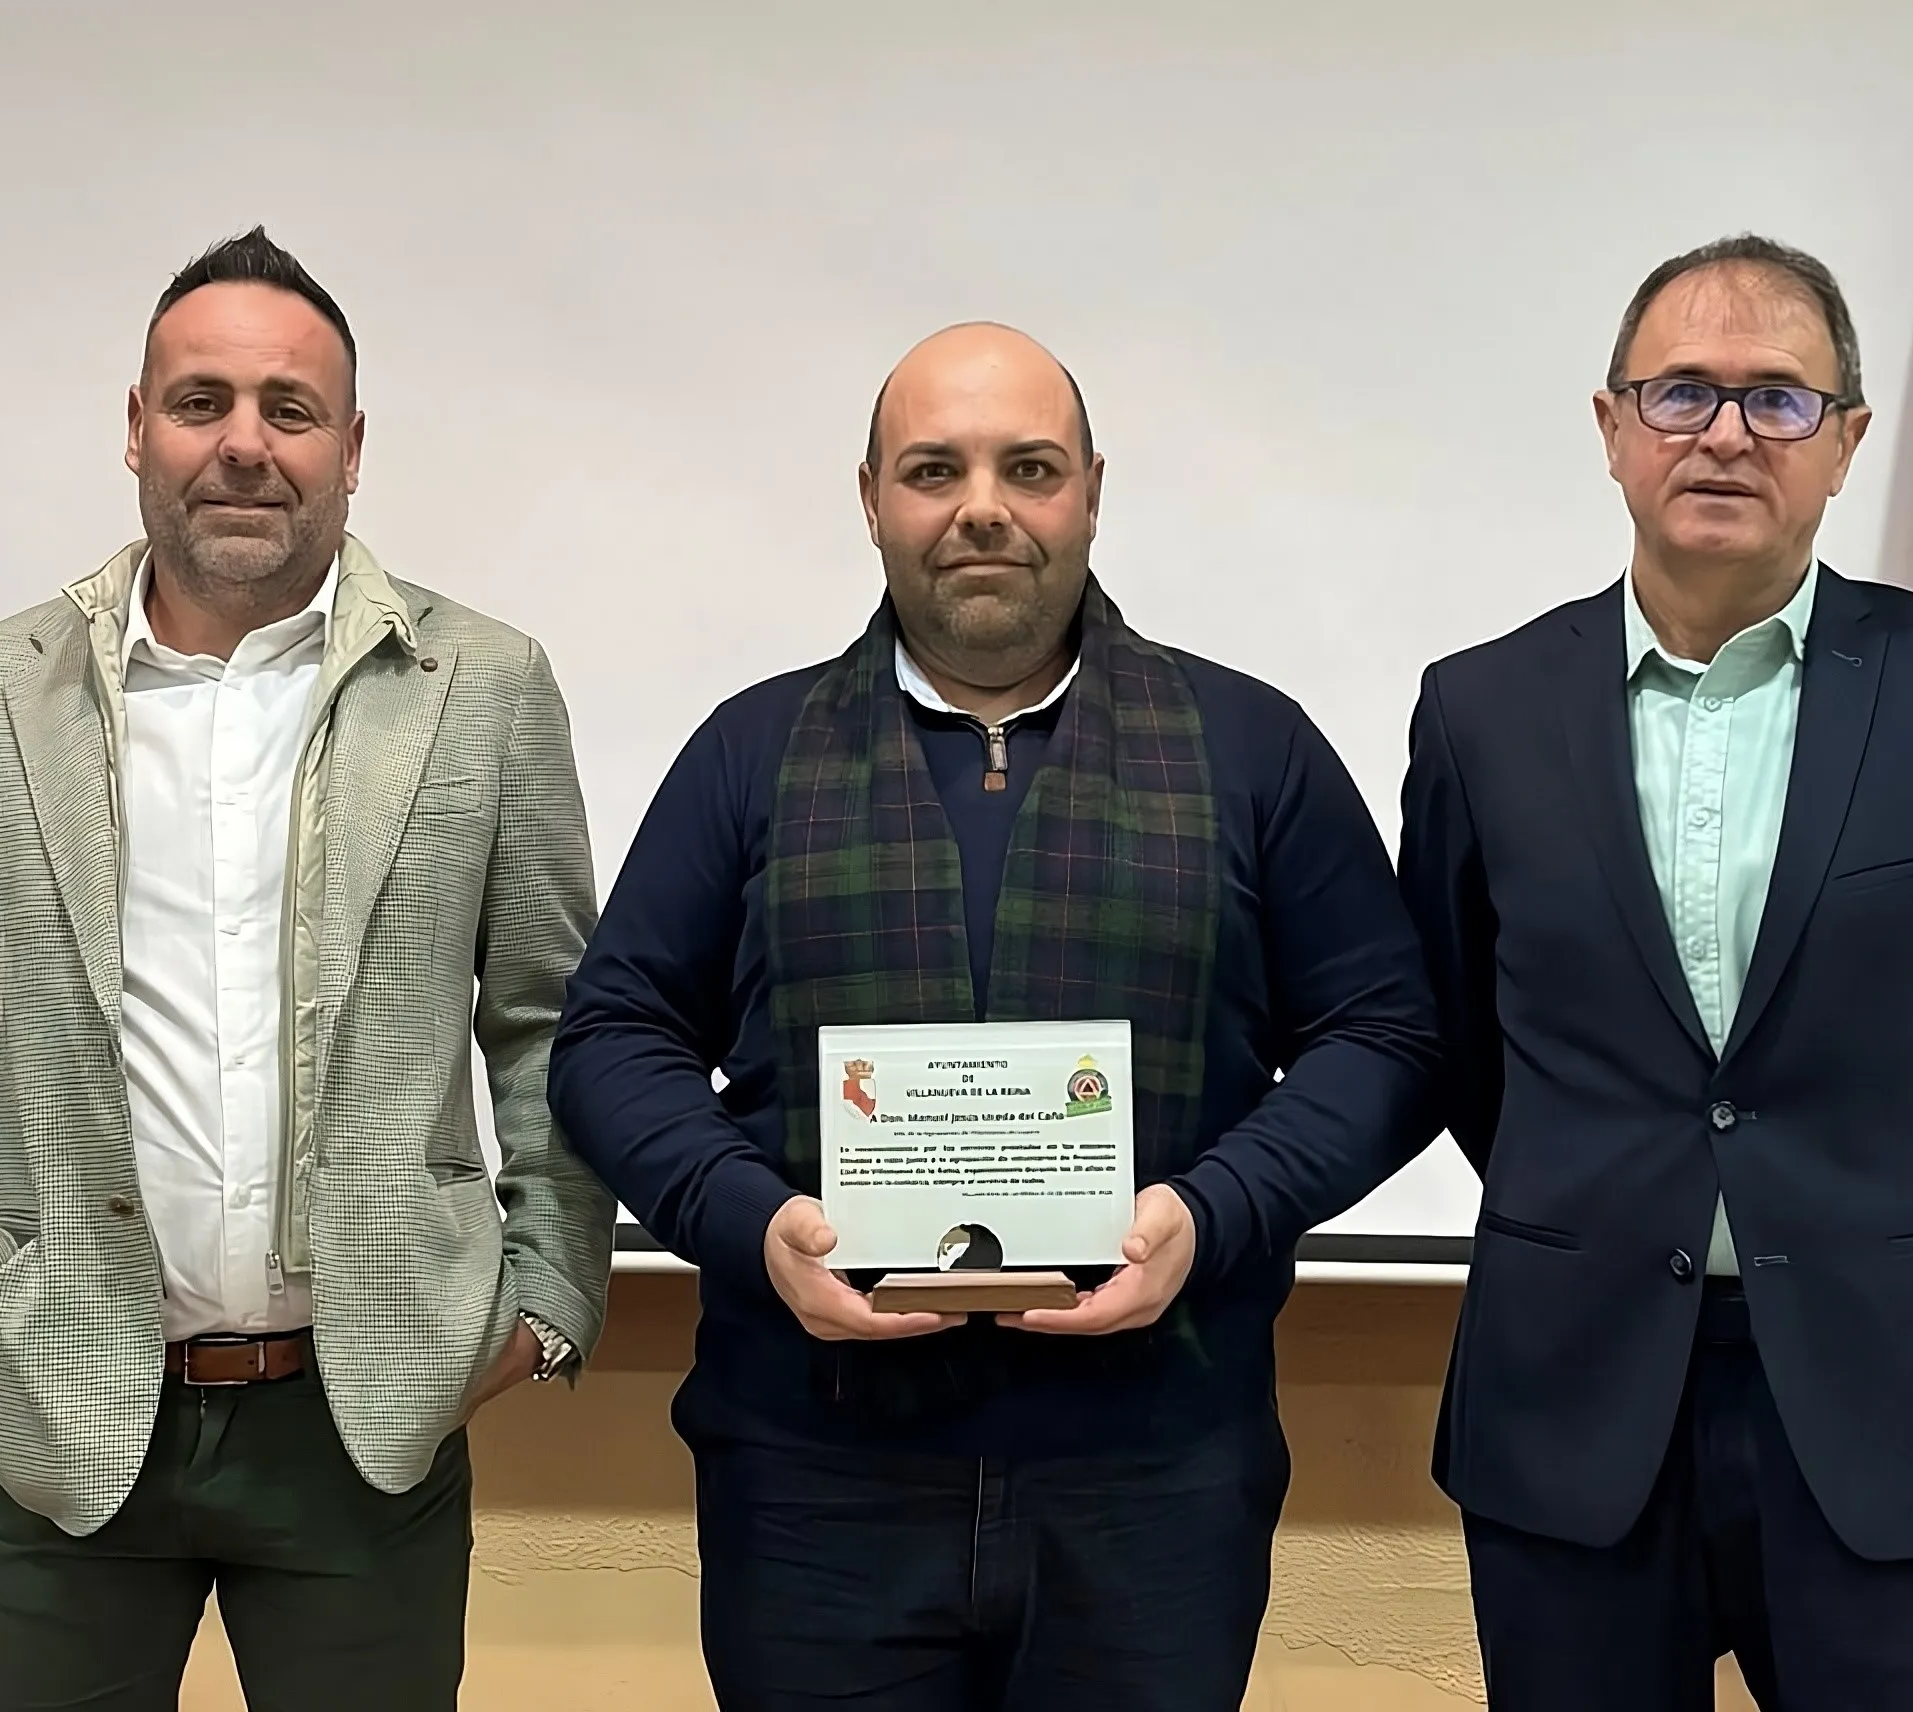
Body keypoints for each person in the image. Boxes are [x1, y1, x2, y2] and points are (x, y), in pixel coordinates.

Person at [550, 322, 1439, 1710]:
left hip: (1156, 1479)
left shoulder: (1247, 748)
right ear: (870, 498)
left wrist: (1210, 1213)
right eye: (933, 469)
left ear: (1089, 488)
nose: (982, 508)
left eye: (1027, 467)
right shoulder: (753, 752)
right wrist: (753, 1224)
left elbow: (1386, 1036)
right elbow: (611, 1043)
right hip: (815, 1481)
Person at [0, 227, 615, 1711]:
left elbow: (551, 1024)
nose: (243, 444)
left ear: (353, 448)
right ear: (136, 427)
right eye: (201, 403)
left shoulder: (486, 691)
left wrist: (548, 1293)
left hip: (364, 1425)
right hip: (51, 1416)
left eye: (289, 410)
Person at [1398, 235, 1913, 1709]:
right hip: (1579, 1400)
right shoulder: (1481, 710)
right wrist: (1620, 1193)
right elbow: (1459, 1043)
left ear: (1847, 441)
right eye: (1679, 393)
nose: (1726, 433)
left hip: (1907, 1398)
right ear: (1611, 428)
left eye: (1779, 400)